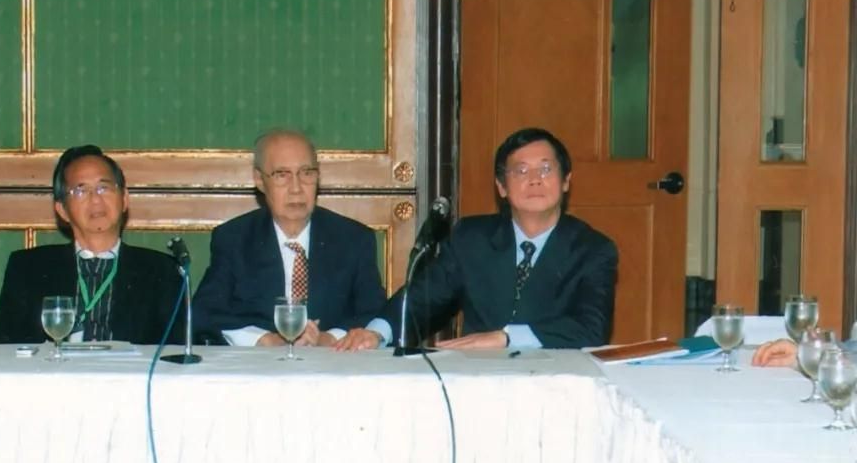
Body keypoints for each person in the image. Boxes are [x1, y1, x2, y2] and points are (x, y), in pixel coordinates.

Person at [336, 127, 617, 351]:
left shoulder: (593, 249)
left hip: (556, 382)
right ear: (501, 187)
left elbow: (591, 329)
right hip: (480, 378)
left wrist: (506, 338)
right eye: (520, 171)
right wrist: (377, 332)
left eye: (545, 169)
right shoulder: (472, 239)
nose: (534, 179)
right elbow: (423, 297)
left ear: (566, 180)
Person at [192, 129, 386, 346]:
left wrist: (329, 338)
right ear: (259, 180)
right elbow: (205, 312)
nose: (296, 188)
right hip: (260, 363)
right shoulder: (234, 238)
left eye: (306, 173)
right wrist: (263, 340)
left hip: (333, 360)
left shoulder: (353, 239)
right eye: (282, 175)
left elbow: (376, 313)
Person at [0, 145, 183, 344]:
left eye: (104, 187)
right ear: (62, 210)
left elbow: (174, 353)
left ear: (125, 199)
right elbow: (7, 350)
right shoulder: (28, 268)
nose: (95, 199)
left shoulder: (162, 271)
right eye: (81, 190)